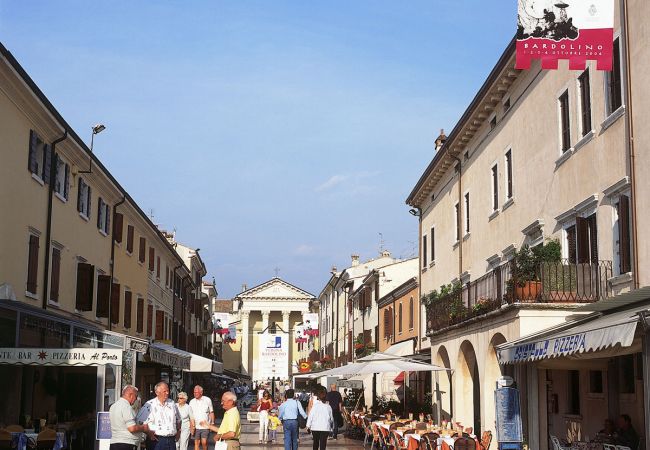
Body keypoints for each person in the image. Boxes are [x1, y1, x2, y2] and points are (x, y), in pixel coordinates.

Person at [136, 381, 181, 450]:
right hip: (156, 440)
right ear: (157, 393)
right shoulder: (150, 405)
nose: (167, 393)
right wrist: (148, 432)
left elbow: (178, 419)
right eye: (164, 391)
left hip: (171, 440)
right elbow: (140, 421)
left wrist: (178, 431)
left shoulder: (172, 404)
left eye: (168, 391)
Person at [109, 385, 149, 450]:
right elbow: (132, 428)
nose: (136, 399)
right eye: (136, 396)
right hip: (126, 444)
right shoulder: (126, 407)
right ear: (131, 395)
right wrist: (144, 427)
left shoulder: (113, 406)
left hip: (114, 442)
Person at [189, 385, 214, 450]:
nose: (195, 394)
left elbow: (211, 412)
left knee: (204, 442)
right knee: (196, 443)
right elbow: (190, 415)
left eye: (196, 392)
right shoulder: (191, 402)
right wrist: (191, 426)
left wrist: (212, 423)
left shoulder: (207, 400)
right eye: (194, 392)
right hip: (195, 426)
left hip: (205, 426)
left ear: (201, 392)